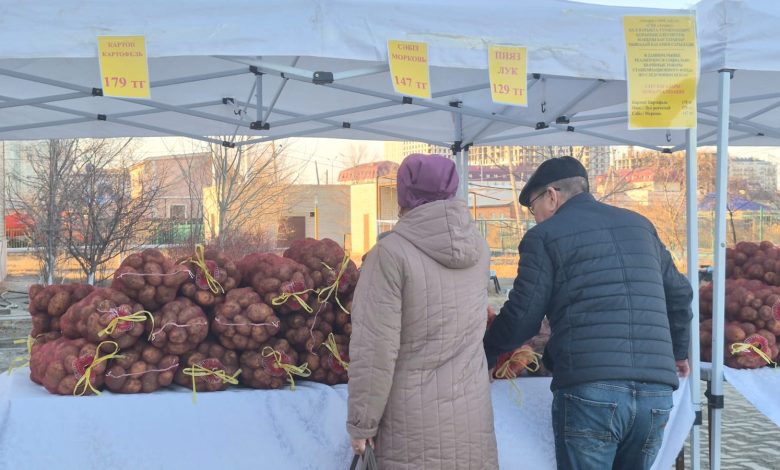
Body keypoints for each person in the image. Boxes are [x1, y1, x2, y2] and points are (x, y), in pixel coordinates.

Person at [483, 156, 693, 470]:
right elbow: (680, 293)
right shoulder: (640, 226)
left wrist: (486, 354)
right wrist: (678, 351)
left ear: (551, 196)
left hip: (591, 390)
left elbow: (523, 315)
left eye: (532, 207)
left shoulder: (544, 237)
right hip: (656, 391)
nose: (534, 217)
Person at [347, 154, 499, 470]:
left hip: (411, 424)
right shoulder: (479, 249)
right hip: (472, 418)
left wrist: (362, 424)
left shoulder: (389, 254)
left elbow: (375, 350)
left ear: (404, 194)